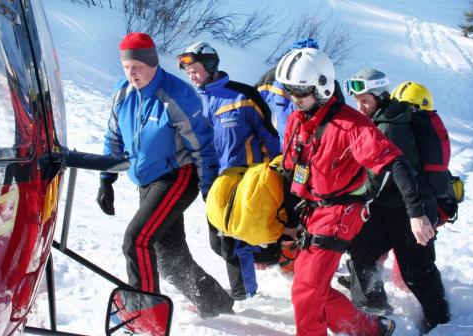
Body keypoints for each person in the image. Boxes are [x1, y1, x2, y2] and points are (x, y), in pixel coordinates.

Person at [276, 48, 437, 336]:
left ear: (322, 86)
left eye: (301, 90)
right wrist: (289, 217)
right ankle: (371, 330)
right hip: (312, 209)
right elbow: (292, 170)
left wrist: (416, 213)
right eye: (290, 90)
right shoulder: (297, 121)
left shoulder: (351, 125)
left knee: (307, 289)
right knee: (308, 281)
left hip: (340, 212)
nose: (295, 97)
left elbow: (396, 162)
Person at [96, 32, 234, 318]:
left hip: (177, 177)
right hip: (146, 180)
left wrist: (210, 193)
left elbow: (203, 147)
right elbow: (114, 138)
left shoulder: (176, 95)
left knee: (136, 240)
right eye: (126, 68)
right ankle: (215, 302)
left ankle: (145, 314)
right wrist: (106, 180)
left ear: (152, 63)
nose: (131, 73)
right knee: (167, 254)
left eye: (137, 67)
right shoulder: (123, 94)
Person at [343, 70, 450, 332]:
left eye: (364, 100)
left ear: (380, 96)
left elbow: (378, 179)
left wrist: (349, 194)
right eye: (357, 101)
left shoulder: (389, 127)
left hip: (411, 210)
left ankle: (440, 321)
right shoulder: (381, 118)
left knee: (417, 272)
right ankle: (374, 309)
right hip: (386, 209)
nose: (360, 107)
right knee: (361, 254)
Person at [177, 42, 281, 300]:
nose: (191, 75)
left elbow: (270, 138)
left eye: (195, 68)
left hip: (245, 182)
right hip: (213, 184)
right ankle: (271, 257)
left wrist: (274, 173)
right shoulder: (195, 102)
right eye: (188, 71)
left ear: (211, 65)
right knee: (219, 243)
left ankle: (244, 294)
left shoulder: (242, 96)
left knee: (234, 242)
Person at [255, 38, 344, 146]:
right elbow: (252, 102)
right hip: (282, 147)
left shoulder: (327, 86)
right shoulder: (274, 78)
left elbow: (340, 122)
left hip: (313, 149)